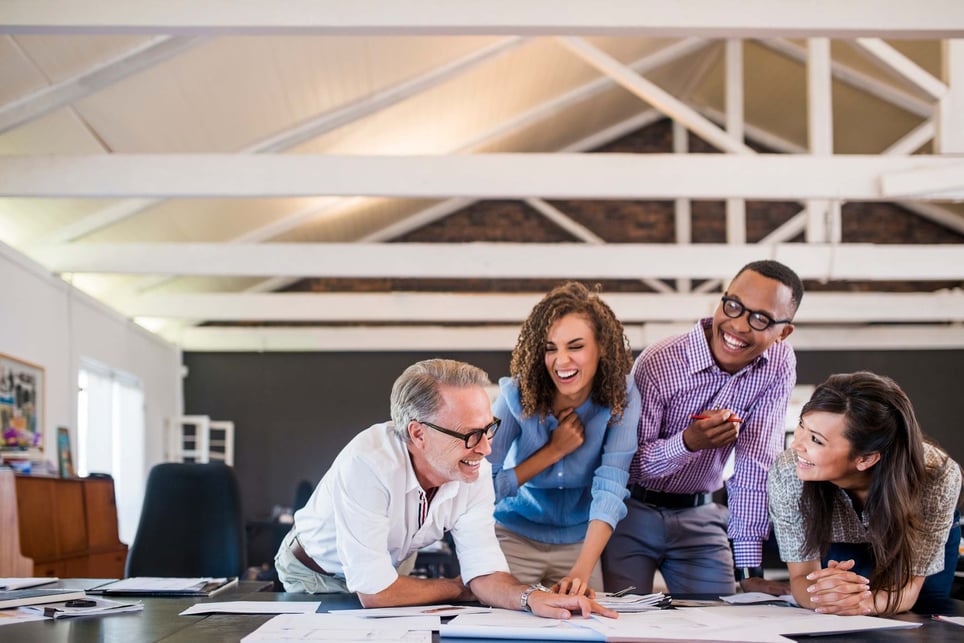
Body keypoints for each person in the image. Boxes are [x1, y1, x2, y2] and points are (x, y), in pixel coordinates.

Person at [275, 358, 616, 619]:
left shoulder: (472, 468)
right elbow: (376, 593)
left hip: (389, 570)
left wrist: (532, 598)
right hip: (315, 572)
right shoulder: (367, 464)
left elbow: (484, 573)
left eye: (489, 429)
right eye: (470, 435)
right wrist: (458, 587)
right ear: (418, 434)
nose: (485, 449)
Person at [603, 259, 803, 595]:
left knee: (722, 619)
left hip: (702, 512)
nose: (738, 326)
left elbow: (757, 463)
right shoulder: (659, 361)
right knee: (626, 619)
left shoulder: (779, 364)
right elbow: (631, 462)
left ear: (783, 333)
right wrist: (687, 443)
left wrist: (748, 570)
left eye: (760, 319)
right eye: (734, 306)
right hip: (631, 511)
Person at [489, 282, 640, 597]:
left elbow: (611, 484)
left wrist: (582, 571)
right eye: (550, 348)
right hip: (513, 536)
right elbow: (481, 487)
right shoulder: (514, 397)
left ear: (602, 347)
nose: (561, 361)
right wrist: (552, 452)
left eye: (575, 346)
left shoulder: (622, 396)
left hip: (579, 543)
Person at [768, 371, 962, 616]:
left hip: (907, 540)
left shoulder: (937, 476)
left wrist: (863, 604)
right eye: (801, 426)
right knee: (836, 601)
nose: (796, 445)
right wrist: (826, 595)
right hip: (836, 538)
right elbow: (801, 579)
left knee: (927, 613)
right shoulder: (788, 472)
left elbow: (909, 590)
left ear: (866, 458)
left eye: (816, 439)